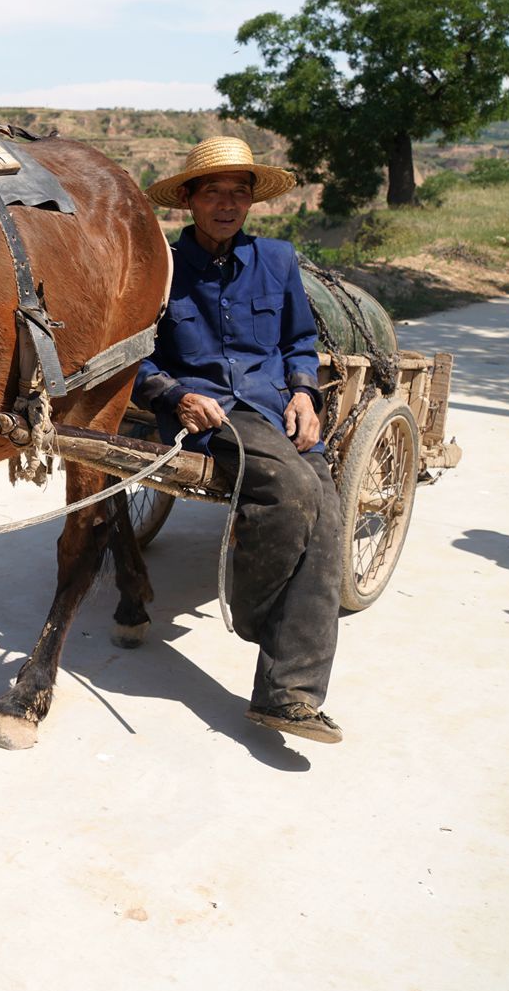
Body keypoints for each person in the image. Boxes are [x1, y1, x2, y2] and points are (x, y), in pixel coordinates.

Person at [135, 137, 346, 744]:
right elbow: (137, 360)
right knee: (290, 491)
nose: (227, 203)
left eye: (239, 192)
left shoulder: (278, 259)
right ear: (189, 201)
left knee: (328, 515)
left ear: (252, 202)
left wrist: (305, 393)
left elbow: (298, 342)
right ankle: (260, 613)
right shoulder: (164, 269)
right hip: (211, 414)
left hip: (277, 406)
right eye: (214, 192)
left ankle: (290, 698)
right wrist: (176, 396)